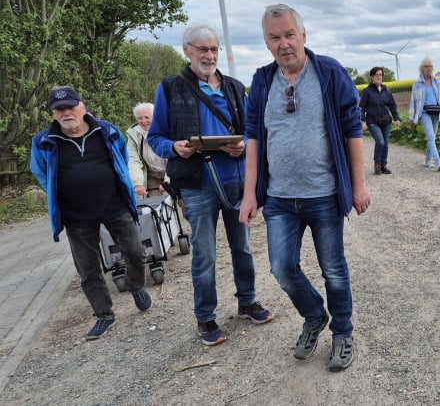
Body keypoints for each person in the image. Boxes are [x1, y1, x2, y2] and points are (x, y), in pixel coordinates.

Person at [239, 3, 370, 372]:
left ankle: (343, 333)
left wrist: (358, 185)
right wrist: (249, 194)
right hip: (279, 198)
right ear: (266, 42)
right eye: (274, 37)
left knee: (334, 270)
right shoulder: (262, 81)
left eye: (289, 35)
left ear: (303, 35)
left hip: (324, 195)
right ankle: (314, 316)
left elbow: (353, 130)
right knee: (282, 267)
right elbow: (253, 139)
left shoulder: (329, 72)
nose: (283, 44)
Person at [147, 24, 273, 346]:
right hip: (196, 185)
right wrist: (175, 147)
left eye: (214, 49)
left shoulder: (235, 87)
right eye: (202, 49)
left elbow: (253, 131)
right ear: (186, 50)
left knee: (243, 248)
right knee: (204, 255)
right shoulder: (170, 88)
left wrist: (243, 145)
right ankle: (205, 318)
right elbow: (155, 137)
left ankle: (247, 302)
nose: (209, 55)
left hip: (235, 181)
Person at [30, 86, 153, 340]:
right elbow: (40, 171)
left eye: (70, 107)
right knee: (88, 269)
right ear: (53, 113)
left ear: (82, 107)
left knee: (135, 251)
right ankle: (104, 314)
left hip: (115, 205)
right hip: (76, 215)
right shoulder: (43, 141)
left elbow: (121, 157)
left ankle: (136, 286)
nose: (66, 113)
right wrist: (56, 192)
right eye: (59, 109)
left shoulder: (107, 130)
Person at [409, 57, 440, 171]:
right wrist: (411, 119)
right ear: (422, 68)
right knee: (431, 137)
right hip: (424, 113)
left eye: (430, 66)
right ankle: (438, 161)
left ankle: (427, 160)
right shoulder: (417, 84)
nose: (428, 69)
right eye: (426, 66)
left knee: (432, 138)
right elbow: (413, 102)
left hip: (436, 112)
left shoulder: (436, 81)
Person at [359, 66, 401, 175]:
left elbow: (392, 105)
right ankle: (377, 164)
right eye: (377, 75)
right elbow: (362, 108)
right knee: (380, 142)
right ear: (372, 77)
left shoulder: (386, 90)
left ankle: (383, 165)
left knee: (385, 144)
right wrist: (362, 121)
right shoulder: (367, 91)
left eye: (380, 75)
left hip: (386, 121)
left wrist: (396, 118)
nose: (379, 77)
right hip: (373, 121)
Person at [126, 102, 167, 198]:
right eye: (139, 118)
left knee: (177, 201)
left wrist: (168, 180)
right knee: (154, 203)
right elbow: (133, 160)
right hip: (152, 175)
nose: (143, 121)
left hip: (171, 172)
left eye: (147, 117)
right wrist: (137, 183)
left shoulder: (166, 129)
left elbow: (174, 157)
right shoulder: (133, 134)